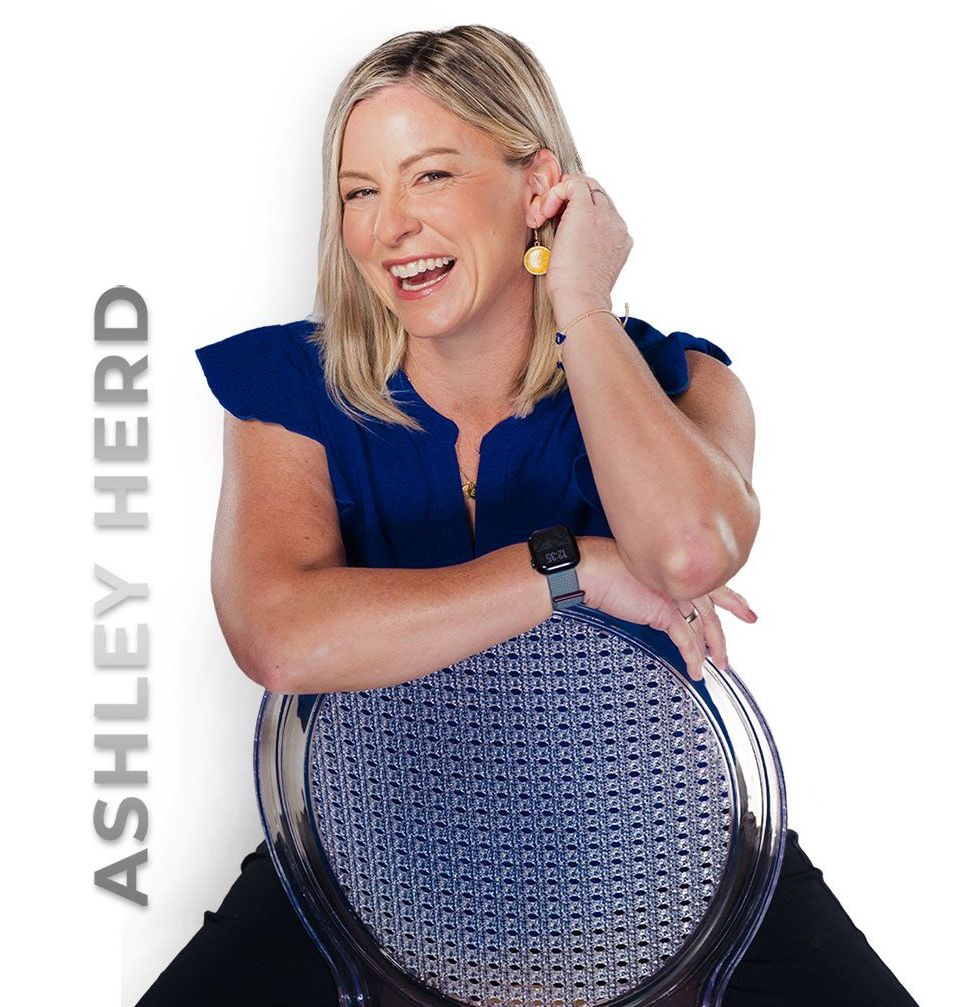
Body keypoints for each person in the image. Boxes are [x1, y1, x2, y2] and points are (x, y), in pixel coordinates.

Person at [136, 24, 919, 1007]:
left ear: (538, 183)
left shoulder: (681, 381)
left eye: (430, 176)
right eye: (359, 193)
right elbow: (280, 638)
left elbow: (688, 550)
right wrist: (574, 566)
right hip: (369, 861)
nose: (389, 227)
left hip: (660, 858)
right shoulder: (293, 387)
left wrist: (580, 303)